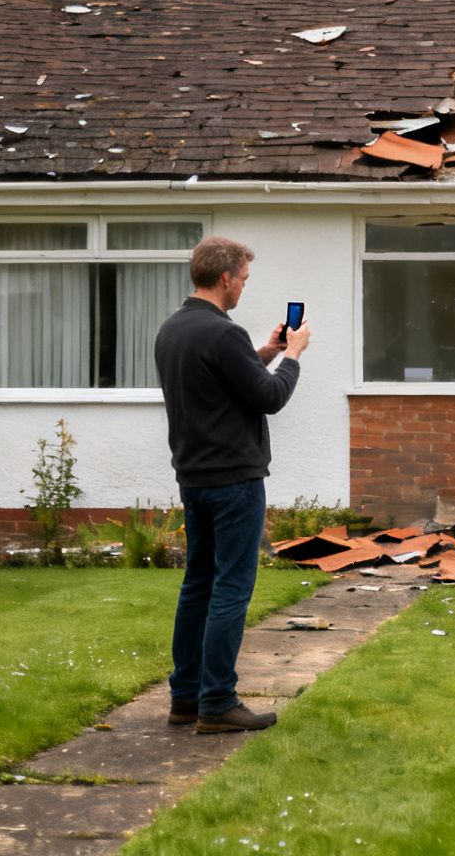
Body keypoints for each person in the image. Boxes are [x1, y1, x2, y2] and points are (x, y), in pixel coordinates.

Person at [154, 236, 309, 734]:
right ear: (225, 278)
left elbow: (224, 382)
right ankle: (217, 701)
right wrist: (293, 357)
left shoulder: (173, 330)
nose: (244, 286)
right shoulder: (223, 333)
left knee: (197, 585)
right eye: (243, 278)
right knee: (230, 589)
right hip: (234, 481)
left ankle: (186, 698)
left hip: (194, 478)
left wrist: (264, 350)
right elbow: (268, 397)